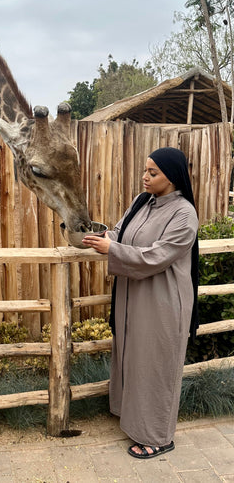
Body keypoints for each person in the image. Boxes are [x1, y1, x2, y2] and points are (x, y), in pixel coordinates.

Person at [82, 147, 199, 459]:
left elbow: (156, 256)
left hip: (162, 302)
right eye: (145, 170)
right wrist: (103, 236)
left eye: (153, 173)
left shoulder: (184, 214)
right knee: (132, 356)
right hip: (134, 296)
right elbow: (122, 232)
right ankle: (130, 416)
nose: (145, 177)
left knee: (155, 365)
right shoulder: (141, 201)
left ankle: (158, 436)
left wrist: (112, 250)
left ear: (172, 177)